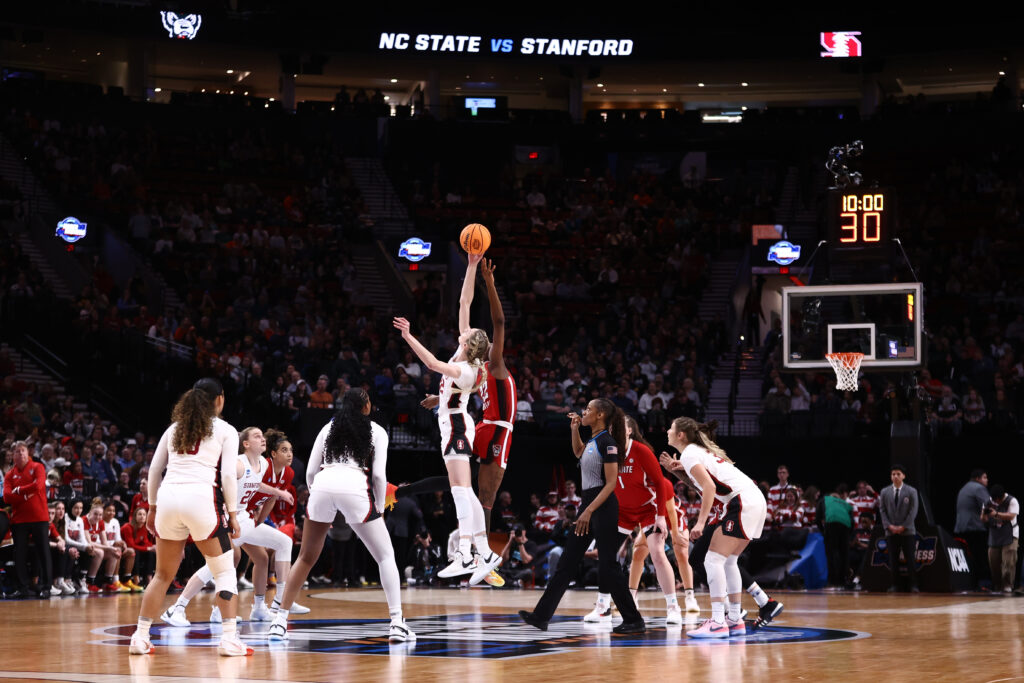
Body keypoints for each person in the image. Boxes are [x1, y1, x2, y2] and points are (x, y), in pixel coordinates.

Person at [268, 389, 414, 642]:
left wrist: (318, 496)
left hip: (324, 483)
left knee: (305, 557)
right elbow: (379, 476)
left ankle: (279, 621)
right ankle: (397, 623)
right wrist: (378, 506)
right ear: (366, 406)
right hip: (353, 485)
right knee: (385, 556)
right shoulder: (377, 431)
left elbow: (311, 471)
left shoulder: (327, 428)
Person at [393, 254, 499, 585]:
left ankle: (467, 553)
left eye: (465, 337)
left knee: (458, 491)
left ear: (470, 346)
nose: (460, 334)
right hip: (453, 419)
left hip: (455, 425)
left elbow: (433, 365)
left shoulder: (466, 368)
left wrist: (409, 336)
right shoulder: (468, 357)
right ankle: (483, 551)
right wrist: (470, 266)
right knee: (464, 492)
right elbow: (464, 301)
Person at [128, 378, 252, 657]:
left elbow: (154, 469)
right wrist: (232, 513)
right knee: (224, 572)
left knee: (161, 575)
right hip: (201, 500)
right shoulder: (226, 429)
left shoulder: (173, 429)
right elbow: (228, 475)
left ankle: (140, 636)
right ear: (219, 399)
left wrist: (152, 506)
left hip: (169, 498)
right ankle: (229, 639)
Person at [518, 398, 645, 634]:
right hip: (588, 504)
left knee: (608, 565)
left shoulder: (608, 443)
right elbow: (578, 452)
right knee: (566, 562)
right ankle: (541, 616)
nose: (584, 411)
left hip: (603, 506)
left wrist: (588, 510)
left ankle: (633, 619)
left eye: (588, 409)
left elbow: (610, 484)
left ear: (600, 415)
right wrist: (574, 429)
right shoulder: (593, 440)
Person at [161, 427, 308, 627]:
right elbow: (220, 486)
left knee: (283, 542)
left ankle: (276, 603)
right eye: (257, 436)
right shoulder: (238, 464)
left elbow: (255, 485)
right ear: (245, 444)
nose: (262, 439)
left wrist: (278, 492)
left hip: (244, 519)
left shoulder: (263, 464)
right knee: (219, 562)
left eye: (262, 436)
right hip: (227, 518)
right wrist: (226, 516)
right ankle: (176, 608)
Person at [660, 417, 768, 638]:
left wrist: (700, 522)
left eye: (671, 428)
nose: (667, 431)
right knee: (728, 561)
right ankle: (735, 619)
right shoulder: (698, 453)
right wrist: (679, 472)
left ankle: (718, 621)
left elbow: (708, 487)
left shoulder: (690, 453)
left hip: (741, 501)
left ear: (681, 435)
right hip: (753, 499)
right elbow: (705, 485)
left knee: (712, 560)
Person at [585, 416, 689, 624]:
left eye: (620, 427)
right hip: (621, 511)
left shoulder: (641, 451)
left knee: (658, 553)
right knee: (606, 556)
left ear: (630, 431)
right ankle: (602, 606)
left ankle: (673, 607)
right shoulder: (607, 452)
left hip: (647, 510)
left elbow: (661, 483)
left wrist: (660, 516)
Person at [2, 441, 52, 598]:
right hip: (19, 520)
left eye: (23, 451)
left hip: (39, 518)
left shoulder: (38, 467)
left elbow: (38, 486)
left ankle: (46, 587)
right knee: (20, 555)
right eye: (17, 451)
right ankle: (22, 588)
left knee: (44, 551)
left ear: (28, 453)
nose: (21, 454)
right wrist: (25, 494)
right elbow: (6, 497)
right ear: (13, 455)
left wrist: (19, 491)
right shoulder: (10, 474)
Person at [879, 464, 920, 593]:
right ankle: (894, 585)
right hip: (890, 531)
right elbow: (882, 510)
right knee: (893, 560)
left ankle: (913, 585)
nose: (895, 476)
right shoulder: (884, 492)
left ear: (903, 476)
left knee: (910, 559)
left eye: (898, 474)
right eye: (893, 474)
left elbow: (913, 511)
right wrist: (889, 526)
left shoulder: (911, 491)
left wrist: (903, 526)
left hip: (907, 531)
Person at [955, 469, 992, 589]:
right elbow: (988, 506)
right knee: (981, 557)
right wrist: (998, 519)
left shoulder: (964, 488)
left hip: (962, 528)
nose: (987, 480)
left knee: (969, 558)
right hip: (975, 528)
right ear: (977, 479)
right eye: (985, 477)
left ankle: (972, 584)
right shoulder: (978, 488)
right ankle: (984, 585)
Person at [982, 484, 1018, 593]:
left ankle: (1008, 585)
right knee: (994, 562)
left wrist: (996, 513)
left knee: (1008, 562)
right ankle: (998, 586)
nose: (996, 502)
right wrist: (985, 514)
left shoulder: (1012, 501)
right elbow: (982, 519)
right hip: (995, 535)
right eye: (994, 500)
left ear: (1001, 497)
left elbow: (1011, 516)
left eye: (997, 500)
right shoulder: (988, 502)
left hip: (1010, 534)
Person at [819, 484, 854, 588]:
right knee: (844, 554)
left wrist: (824, 532)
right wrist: (848, 536)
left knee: (832, 554)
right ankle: (843, 581)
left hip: (831, 525)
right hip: (845, 527)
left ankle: (832, 582)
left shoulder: (825, 499)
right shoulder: (845, 503)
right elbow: (852, 522)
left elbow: (817, 519)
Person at [121, 506, 155, 589]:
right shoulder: (127, 527)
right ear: (134, 516)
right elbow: (131, 545)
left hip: (136, 550)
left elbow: (146, 542)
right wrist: (147, 548)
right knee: (136, 551)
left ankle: (149, 579)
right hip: (125, 550)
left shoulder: (144, 527)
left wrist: (153, 547)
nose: (142, 516)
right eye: (139, 514)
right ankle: (136, 580)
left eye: (144, 514)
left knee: (151, 553)